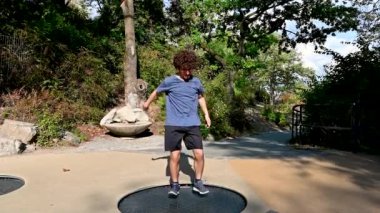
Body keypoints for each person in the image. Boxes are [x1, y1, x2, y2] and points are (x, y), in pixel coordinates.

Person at [143, 49, 211, 197]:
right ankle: (175, 185)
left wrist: (206, 114)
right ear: (178, 68)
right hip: (173, 124)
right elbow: (156, 91)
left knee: (199, 154)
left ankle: (198, 182)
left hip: (192, 123)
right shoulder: (169, 81)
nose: (187, 73)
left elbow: (200, 97)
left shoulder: (196, 82)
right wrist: (147, 103)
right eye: (184, 70)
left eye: (189, 70)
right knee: (175, 156)